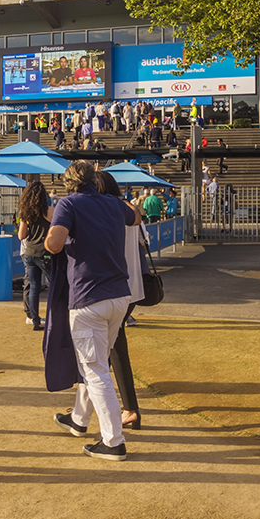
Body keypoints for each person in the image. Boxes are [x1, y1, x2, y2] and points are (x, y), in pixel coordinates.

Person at [46, 161, 137, 461]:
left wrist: (56, 228)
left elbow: (54, 244)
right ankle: (79, 419)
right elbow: (135, 216)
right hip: (119, 296)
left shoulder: (67, 204)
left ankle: (113, 441)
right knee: (96, 364)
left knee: (94, 368)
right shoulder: (112, 203)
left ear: (68, 182)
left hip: (88, 297)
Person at [96, 171, 145, 429]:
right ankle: (126, 407)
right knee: (111, 347)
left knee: (109, 349)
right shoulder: (128, 210)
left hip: (115, 286)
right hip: (130, 285)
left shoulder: (109, 211)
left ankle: (128, 407)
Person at [18, 181, 53, 331]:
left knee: (33, 287)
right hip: (44, 253)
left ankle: (35, 320)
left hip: (29, 252)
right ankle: (55, 317)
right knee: (54, 285)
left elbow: (21, 235)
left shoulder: (25, 213)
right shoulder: (49, 211)